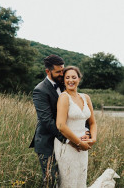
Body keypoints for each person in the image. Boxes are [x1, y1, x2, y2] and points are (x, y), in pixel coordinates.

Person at [29, 55, 89, 187]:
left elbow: (78, 110)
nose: (63, 74)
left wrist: (86, 132)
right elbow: (46, 120)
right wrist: (70, 140)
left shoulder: (66, 84)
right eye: (58, 72)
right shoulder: (40, 90)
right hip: (47, 142)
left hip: (67, 140)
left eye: (63, 70)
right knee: (52, 180)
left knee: (68, 177)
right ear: (48, 72)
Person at [54, 66, 97, 188]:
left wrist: (92, 139)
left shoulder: (85, 97)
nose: (70, 80)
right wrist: (78, 142)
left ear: (79, 79)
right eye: (67, 77)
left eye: (74, 77)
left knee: (80, 179)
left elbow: (92, 122)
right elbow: (61, 125)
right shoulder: (64, 97)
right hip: (67, 146)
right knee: (68, 181)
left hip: (84, 146)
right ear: (64, 81)